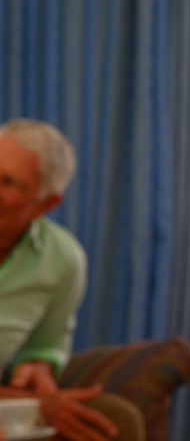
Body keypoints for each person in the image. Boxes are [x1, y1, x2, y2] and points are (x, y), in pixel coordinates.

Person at [0, 119, 123, 441]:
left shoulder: (62, 259)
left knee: (116, 420)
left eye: (8, 182)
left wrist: (38, 365)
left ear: (47, 204)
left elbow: (47, 342)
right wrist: (30, 404)